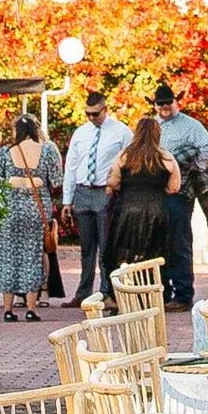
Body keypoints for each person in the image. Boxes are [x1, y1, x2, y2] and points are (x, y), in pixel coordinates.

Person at [0, 109, 59, 323]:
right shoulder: (47, 151)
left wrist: (13, 181)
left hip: (8, 209)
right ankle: (31, 309)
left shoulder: (6, 152)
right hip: (36, 210)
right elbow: (56, 179)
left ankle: (8, 309)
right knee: (32, 256)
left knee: (8, 255)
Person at [151, 78, 208, 312]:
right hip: (156, 191)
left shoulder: (190, 125)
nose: (164, 107)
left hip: (181, 191)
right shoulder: (152, 126)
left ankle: (183, 293)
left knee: (179, 242)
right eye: (159, 104)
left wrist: (191, 166)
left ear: (175, 102)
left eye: (167, 103)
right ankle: (163, 291)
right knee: (159, 244)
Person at [101, 109, 180, 301]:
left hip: (128, 210)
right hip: (156, 210)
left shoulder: (125, 156)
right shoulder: (166, 157)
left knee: (121, 252)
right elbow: (174, 187)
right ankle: (152, 295)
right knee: (155, 255)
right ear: (157, 134)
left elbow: (112, 182)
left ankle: (121, 295)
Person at [63, 85, 129, 307]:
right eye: (88, 114)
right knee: (86, 247)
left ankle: (105, 292)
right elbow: (71, 166)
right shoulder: (81, 133)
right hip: (83, 190)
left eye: (96, 113)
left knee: (106, 245)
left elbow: (128, 162)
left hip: (106, 191)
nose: (92, 118)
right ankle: (83, 292)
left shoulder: (121, 131)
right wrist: (67, 200)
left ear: (105, 110)